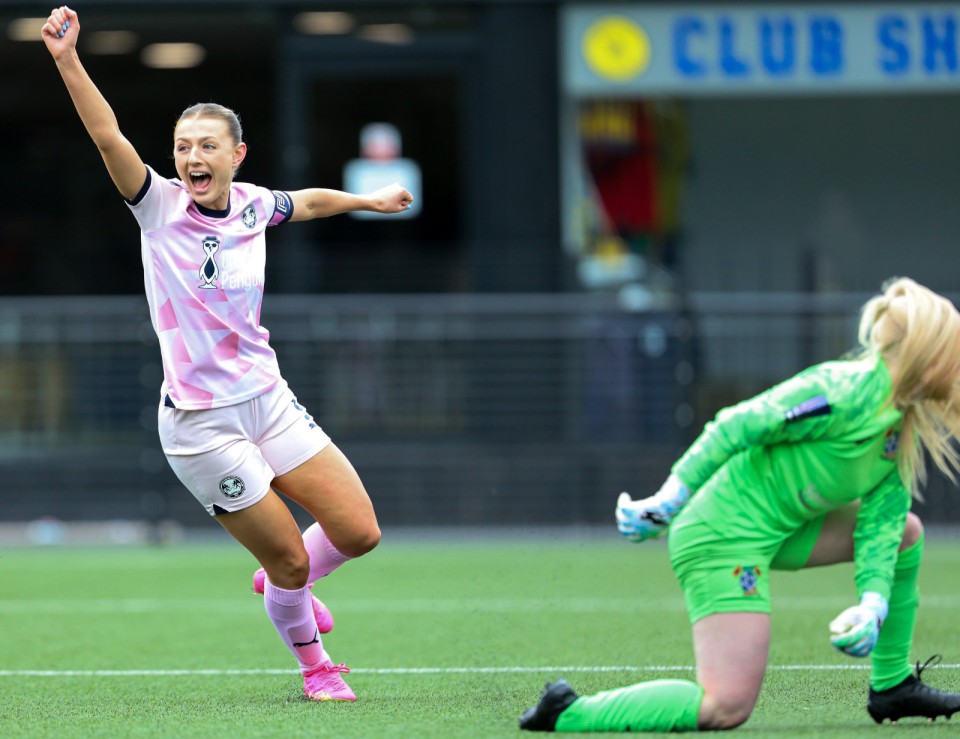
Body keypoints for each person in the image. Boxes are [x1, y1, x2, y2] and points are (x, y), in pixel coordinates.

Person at [43, 6, 413, 703]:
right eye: (183, 146)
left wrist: (369, 199)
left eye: (207, 146)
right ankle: (316, 665)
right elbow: (106, 134)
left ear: (235, 154)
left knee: (359, 532)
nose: (192, 159)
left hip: (267, 400)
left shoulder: (251, 206)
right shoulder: (158, 207)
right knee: (292, 560)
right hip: (201, 424)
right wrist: (67, 60)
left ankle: (282, 585)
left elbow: (304, 201)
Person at [520, 276, 960, 731]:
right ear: (928, 357)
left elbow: (881, 526)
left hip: (783, 529)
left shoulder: (899, 427)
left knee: (906, 532)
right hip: (721, 535)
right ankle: (570, 712)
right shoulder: (841, 391)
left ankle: (891, 686)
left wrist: (872, 606)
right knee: (726, 706)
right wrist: (669, 499)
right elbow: (737, 425)